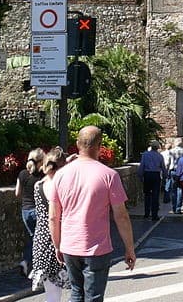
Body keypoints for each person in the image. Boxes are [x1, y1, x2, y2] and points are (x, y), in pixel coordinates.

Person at [49, 126, 136, 302]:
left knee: (76, 293)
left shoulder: (60, 175)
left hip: (70, 244)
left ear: (77, 144)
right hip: (97, 247)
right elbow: (121, 216)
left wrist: (57, 244)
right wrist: (129, 248)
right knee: (94, 297)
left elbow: (53, 216)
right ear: (99, 146)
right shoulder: (109, 175)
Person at [28, 147, 70, 302]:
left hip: (41, 240)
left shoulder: (38, 185)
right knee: (78, 288)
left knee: (52, 293)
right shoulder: (61, 186)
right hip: (59, 238)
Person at [15, 147, 44, 276]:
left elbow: (17, 193)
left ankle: (26, 262)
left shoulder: (22, 174)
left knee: (31, 238)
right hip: (38, 210)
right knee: (41, 240)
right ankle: (39, 267)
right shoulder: (42, 175)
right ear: (40, 161)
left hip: (25, 211)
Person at [137, 140, 166, 221]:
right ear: (157, 147)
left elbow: (142, 165)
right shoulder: (160, 156)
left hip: (147, 175)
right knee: (155, 195)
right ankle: (154, 215)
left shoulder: (145, 155)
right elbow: (163, 167)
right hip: (156, 175)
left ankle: (146, 213)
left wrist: (140, 175)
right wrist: (164, 177)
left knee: (147, 194)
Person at [169, 138, 183, 214]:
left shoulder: (171, 151)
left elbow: (169, 162)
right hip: (181, 172)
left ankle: (173, 207)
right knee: (180, 190)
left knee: (173, 189)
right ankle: (178, 208)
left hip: (173, 171)